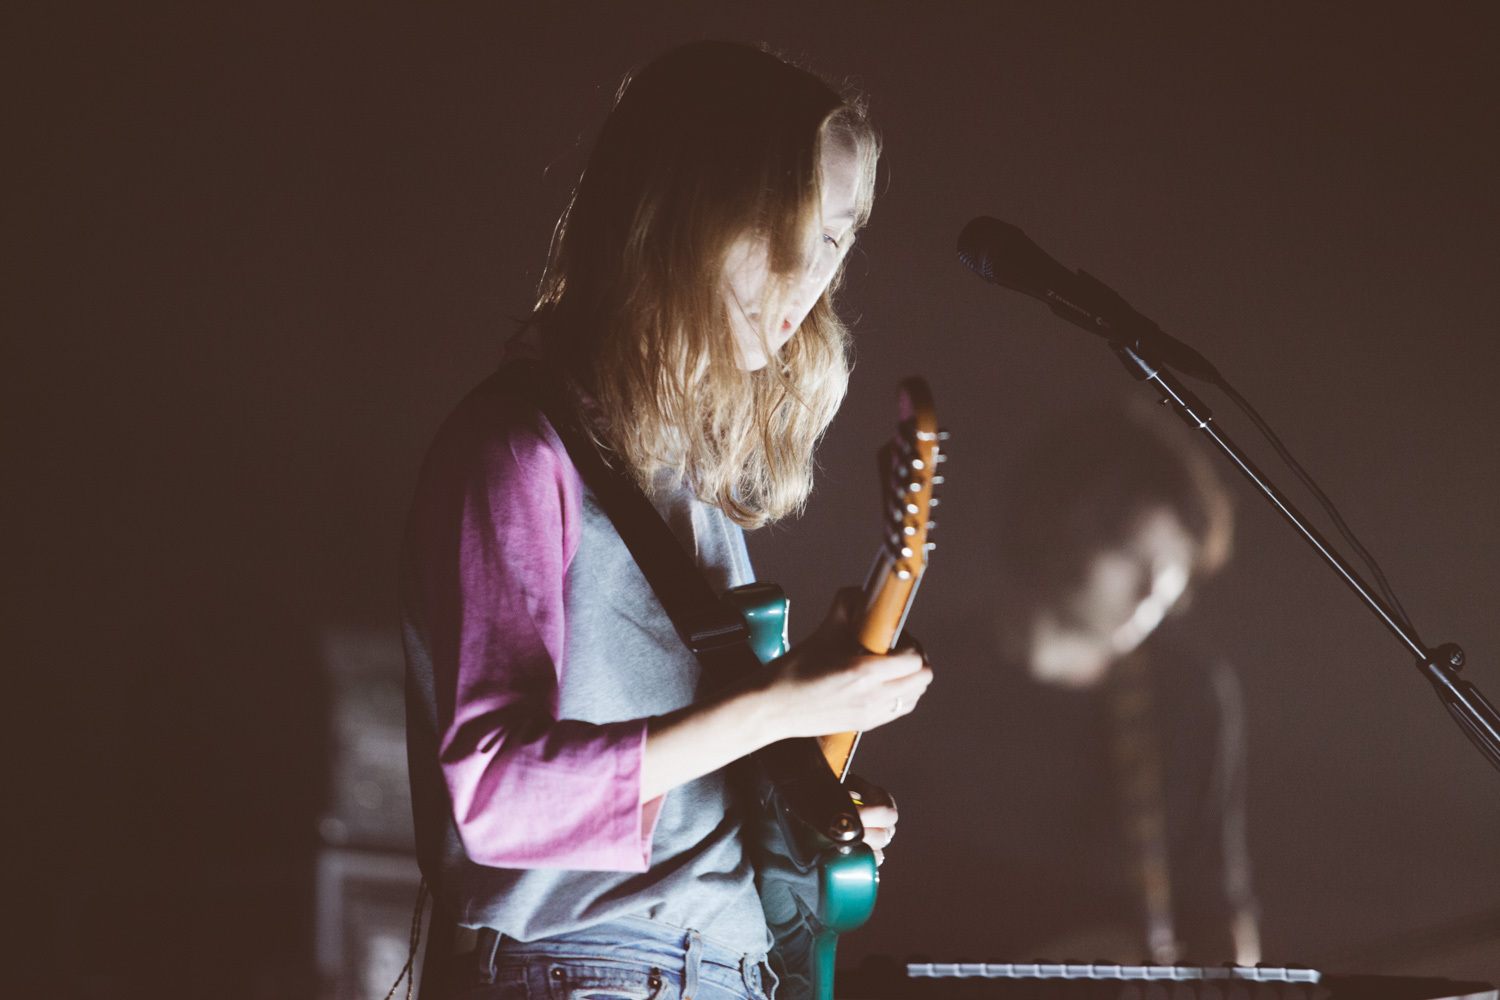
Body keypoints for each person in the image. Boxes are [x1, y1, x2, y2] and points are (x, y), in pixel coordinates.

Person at [400, 41, 933, 1000]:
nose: (810, 274)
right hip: (588, 971)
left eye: (835, 237)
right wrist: (778, 707)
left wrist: (806, 794)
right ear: (682, 213)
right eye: (786, 227)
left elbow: (686, 774)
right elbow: (496, 797)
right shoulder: (518, 448)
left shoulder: (679, 476)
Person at [987, 403, 1259, 965]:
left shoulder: (1187, 696)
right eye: (1132, 555)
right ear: (1056, 531)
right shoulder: (913, 680)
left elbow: (1217, 908)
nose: (1154, 593)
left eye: (1174, 567)